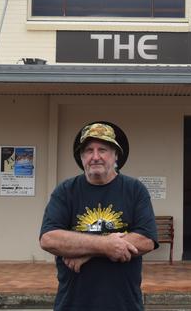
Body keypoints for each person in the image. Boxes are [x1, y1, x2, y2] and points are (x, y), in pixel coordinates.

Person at [40, 122, 158, 311]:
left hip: (124, 304)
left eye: (102, 149)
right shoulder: (65, 191)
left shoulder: (134, 190)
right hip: (73, 304)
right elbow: (49, 238)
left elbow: (146, 240)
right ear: (81, 157)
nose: (95, 157)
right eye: (88, 150)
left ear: (116, 155)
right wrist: (105, 245)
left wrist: (85, 251)